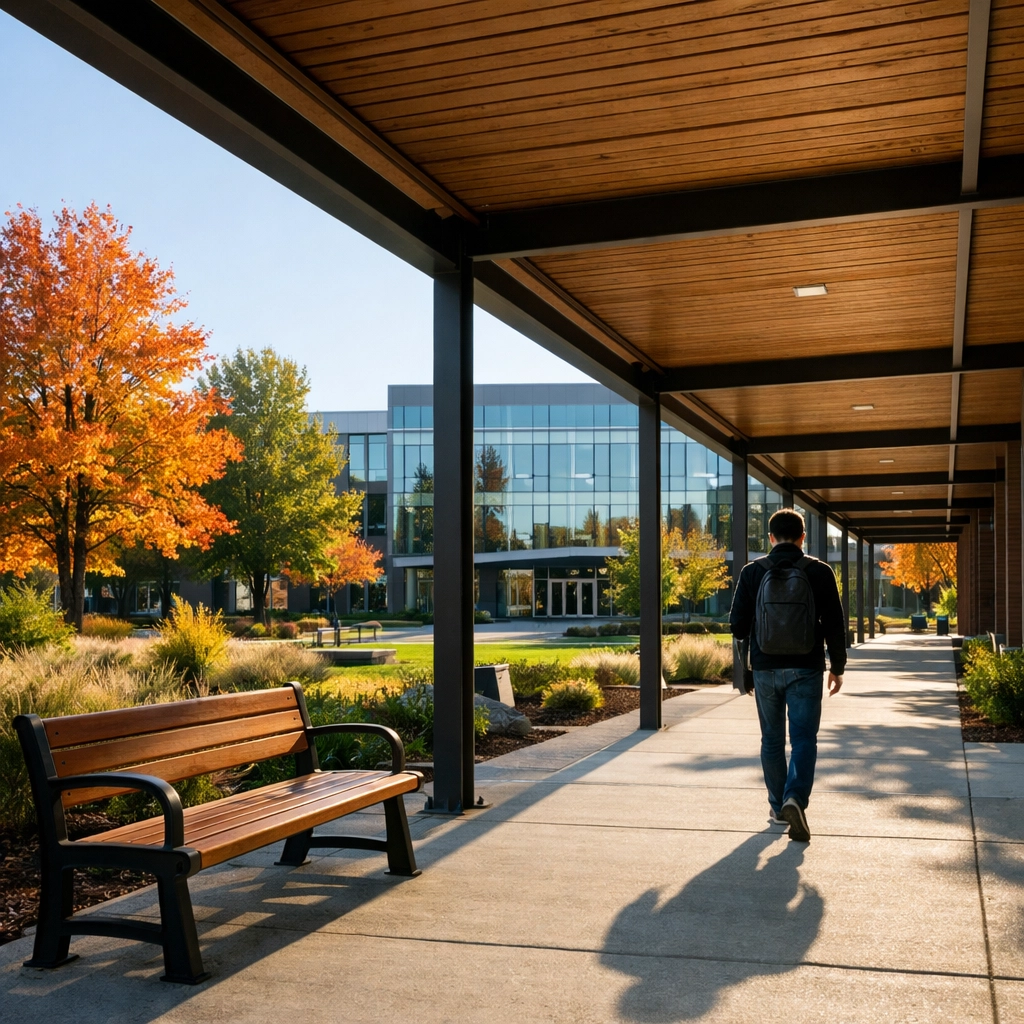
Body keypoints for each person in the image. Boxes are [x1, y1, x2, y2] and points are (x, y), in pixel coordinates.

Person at [730, 508, 846, 842]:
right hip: (806, 667)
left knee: (771, 740)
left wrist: (747, 671)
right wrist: (837, 667)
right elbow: (835, 623)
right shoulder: (819, 571)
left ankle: (778, 806)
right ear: (802, 537)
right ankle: (795, 796)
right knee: (804, 739)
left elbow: (737, 625)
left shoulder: (753, 572)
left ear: (770, 538)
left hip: (765, 668)